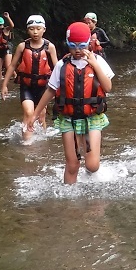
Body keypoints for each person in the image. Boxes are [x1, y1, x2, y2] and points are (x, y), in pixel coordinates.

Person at [35, 22, 115, 184]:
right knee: (72, 164)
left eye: (82, 46)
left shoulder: (98, 61)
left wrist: (94, 64)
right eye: (73, 46)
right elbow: (50, 91)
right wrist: (35, 114)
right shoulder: (61, 65)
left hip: (92, 117)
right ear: (67, 44)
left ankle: (89, 168)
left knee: (92, 165)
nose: (77, 50)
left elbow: (108, 87)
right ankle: (69, 203)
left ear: (89, 43)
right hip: (68, 118)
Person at [1, 15, 59, 143]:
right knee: (29, 112)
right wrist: (4, 85)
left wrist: (59, 89)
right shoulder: (22, 46)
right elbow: (12, 66)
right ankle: (26, 143)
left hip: (44, 87)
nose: (35, 32)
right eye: (32, 29)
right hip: (26, 86)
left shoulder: (50, 47)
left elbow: (57, 69)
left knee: (41, 116)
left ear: (44, 29)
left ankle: (43, 140)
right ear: (28, 30)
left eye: (38, 28)